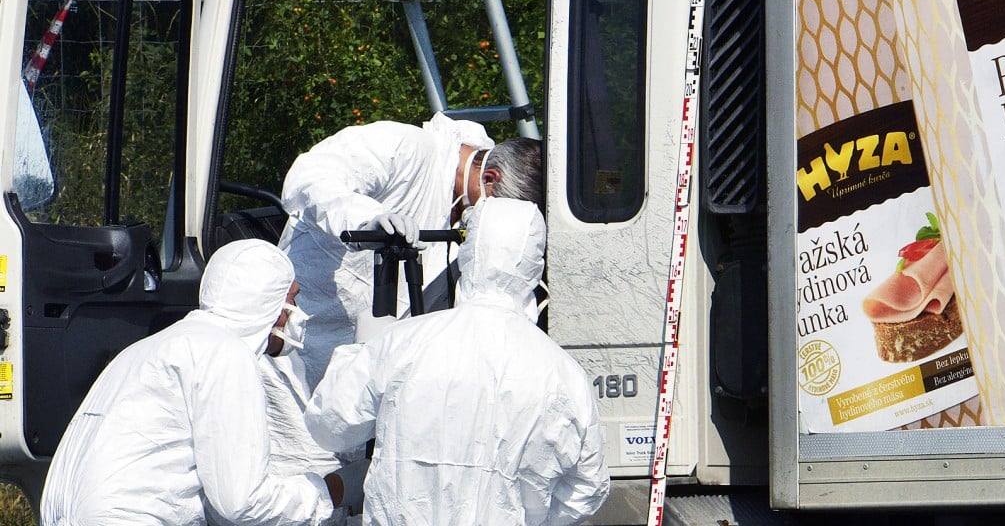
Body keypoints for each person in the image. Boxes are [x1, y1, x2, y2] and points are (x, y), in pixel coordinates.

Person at [304, 198, 610, 525]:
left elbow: (329, 425)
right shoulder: (564, 374)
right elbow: (588, 486)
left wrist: (361, 349)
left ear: (468, 251)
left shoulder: (403, 342)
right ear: (535, 263)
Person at [40, 239, 353, 526]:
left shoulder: (155, 347)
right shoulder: (225, 353)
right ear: (268, 302)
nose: (295, 314)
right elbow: (242, 501)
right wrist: (333, 491)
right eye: (291, 300)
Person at [277, 111, 542, 391]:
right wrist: (363, 219)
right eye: (496, 212)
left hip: (367, 371)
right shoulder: (405, 147)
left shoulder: (462, 210)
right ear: (490, 178)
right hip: (296, 347)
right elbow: (311, 176)